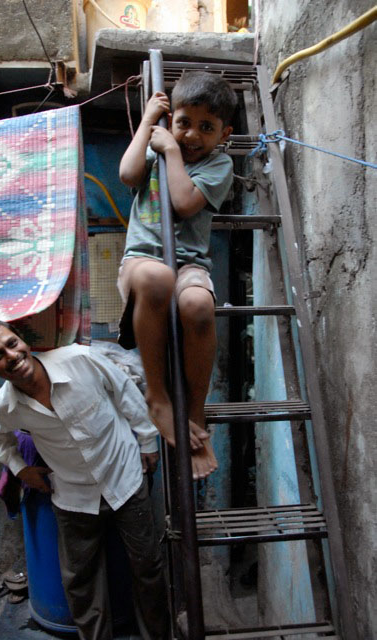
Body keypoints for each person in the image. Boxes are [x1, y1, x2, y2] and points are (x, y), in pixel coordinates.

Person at [0, 319, 169, 640]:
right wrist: (21, 469)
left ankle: (156, 635)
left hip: (125, 479)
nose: (12, 355)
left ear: (23, 341)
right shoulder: (4, 407)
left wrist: (147, 441)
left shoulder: (78, 360)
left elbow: (124, 390)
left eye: (12, 343)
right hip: (73, 496)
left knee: (148, 567)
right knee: (80, 581)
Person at [117, 71, 236, 480]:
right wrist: (150, 121)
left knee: (199, 303)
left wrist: (170, 151)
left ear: (224, 134)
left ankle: (195, 413)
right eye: (184, 122)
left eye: (207, 127)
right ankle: (158, 397)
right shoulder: (155, 146)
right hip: (142, 262)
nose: (192, 135)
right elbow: (128, 175)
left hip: (189, 265)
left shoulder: (220, 164)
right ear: (171, 121)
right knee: (157, 279)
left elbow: (184, 203)